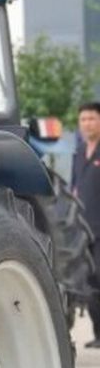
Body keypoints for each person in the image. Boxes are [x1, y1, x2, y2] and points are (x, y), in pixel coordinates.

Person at [73, 102, 100, 348]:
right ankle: (99, 334)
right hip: (85, 229)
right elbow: (74, 189)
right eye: (83, 119)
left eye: (92, 119)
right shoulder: (79, 152)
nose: (87, 124)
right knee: (90, 283)